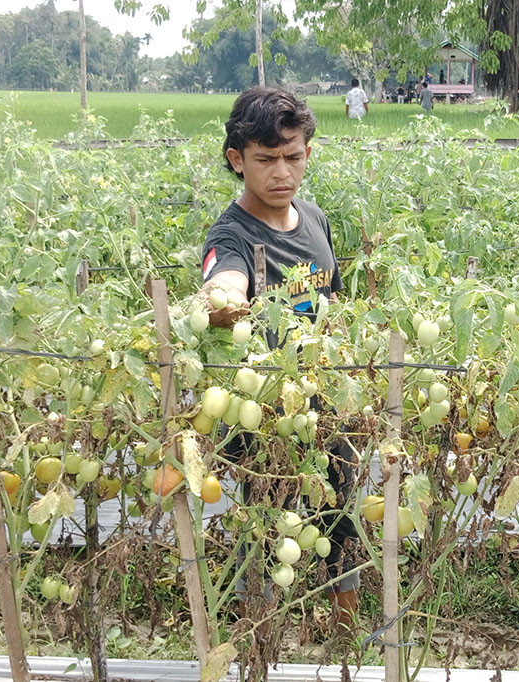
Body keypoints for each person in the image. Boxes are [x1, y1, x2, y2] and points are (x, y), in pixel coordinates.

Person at [199, 86, 360, 633]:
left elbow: (333, 301)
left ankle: (346, 643)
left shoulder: (315, 219)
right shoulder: (231, 234)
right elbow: (223, 279)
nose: (282, 172)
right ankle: (256, 643)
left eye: (292, 156)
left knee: (341, 516)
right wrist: (222, 300)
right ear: (237, 159)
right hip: (264, 415)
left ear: (307, 153)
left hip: (325, 405)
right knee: (264, 527)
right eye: (266, 159)